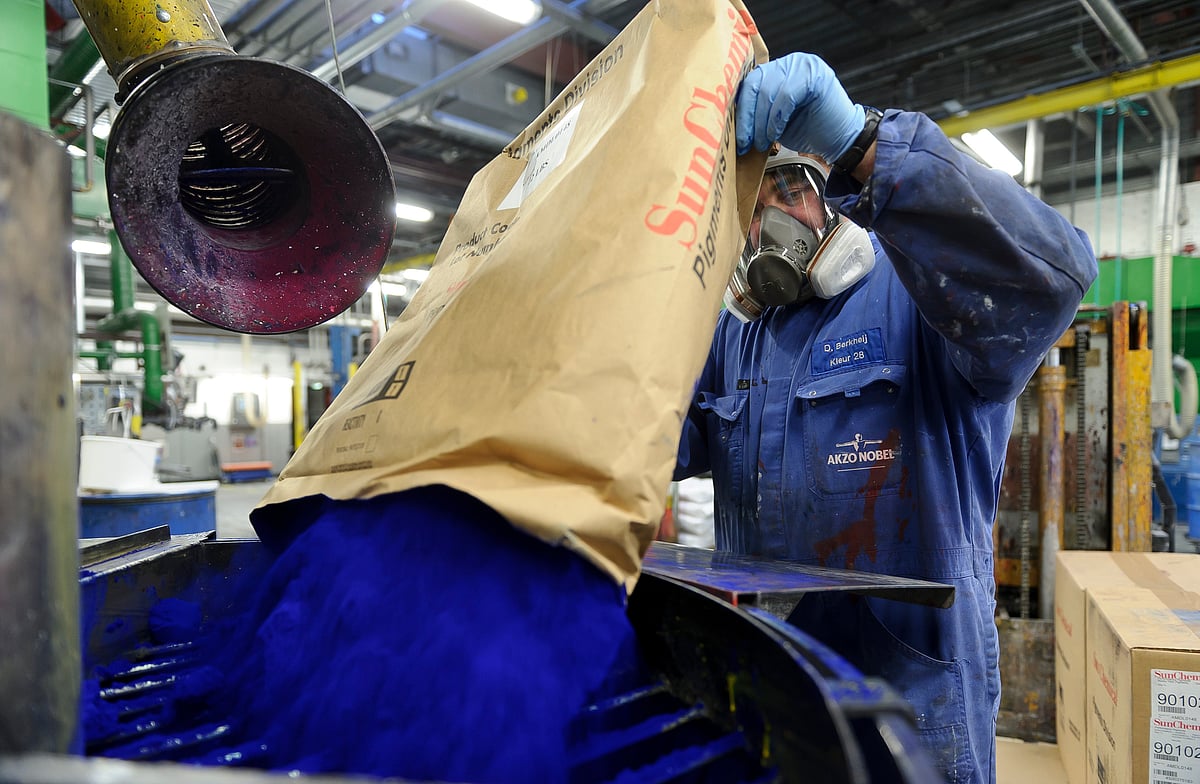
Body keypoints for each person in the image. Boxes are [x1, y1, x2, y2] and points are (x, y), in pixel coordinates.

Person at [674, 52, 1098, 784]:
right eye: (743, 204)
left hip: (913, 720)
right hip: (771, 702)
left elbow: (1052, 280)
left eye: (783, 188)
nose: (762, 225)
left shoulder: (922, 302)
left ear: (828, 185)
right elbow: (645, 443)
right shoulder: (736, 337)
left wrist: (866, 144)